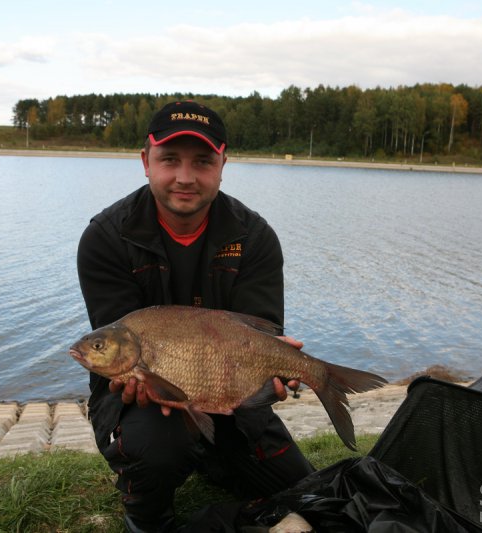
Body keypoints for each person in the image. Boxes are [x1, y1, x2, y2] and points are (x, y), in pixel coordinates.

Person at [76, 100, 315, 532]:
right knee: (156, 442)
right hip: (138, 404)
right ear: (145, 161)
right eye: (170, 160)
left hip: (233, 388)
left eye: (202, 162)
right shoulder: (106, 237)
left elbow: (261, 333)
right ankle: (146, 517)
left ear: (223, 165)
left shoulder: (254, 236)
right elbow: (112, 350)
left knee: (304, 492)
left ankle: (215, 457)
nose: (185, 177)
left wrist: (277, 371)